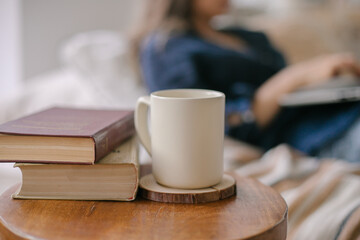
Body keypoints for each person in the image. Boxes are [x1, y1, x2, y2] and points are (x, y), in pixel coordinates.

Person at [130, 0, 360, 162]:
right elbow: (202, 124)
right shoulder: (166, 47)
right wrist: (296, 77)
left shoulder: (247, 36)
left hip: (337, 110)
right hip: (314, 133)